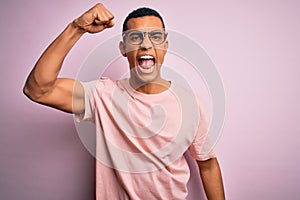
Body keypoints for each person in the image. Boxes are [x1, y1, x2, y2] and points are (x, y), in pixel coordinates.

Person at [23, 3, 225, 200]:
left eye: (155, 37)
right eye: (135, 37)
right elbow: (37, 89)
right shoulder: (103, 95)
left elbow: (207, 164)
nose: (146, 44)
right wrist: (76, 28)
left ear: (165, 45)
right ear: (123, 48)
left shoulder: (190, 103)